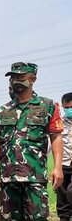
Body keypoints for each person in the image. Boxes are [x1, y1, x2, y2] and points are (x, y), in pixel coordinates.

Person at [0, 62, 64, 220]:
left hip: (34, 177)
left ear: (33, 79)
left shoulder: (48, 106)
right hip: (7, 179)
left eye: (20, 77)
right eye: (13, 77)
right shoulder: (2, 111)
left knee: (37, 218)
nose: (15, 81)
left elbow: (56, 137)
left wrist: (57, 167)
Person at [58, 92, 72, 220]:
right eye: (66, 108)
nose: (68, 110)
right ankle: (64, 218)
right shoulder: (59, 124)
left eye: (71, 107)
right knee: (62, 195)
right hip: (64, 164)